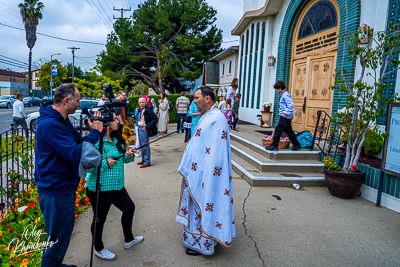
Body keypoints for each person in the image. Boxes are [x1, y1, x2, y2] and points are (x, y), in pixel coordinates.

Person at [35, 83, 103, 267]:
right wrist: (96, 132)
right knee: (55, 239)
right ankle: (51, 264)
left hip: (63, 186)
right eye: (78, 99)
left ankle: (56, 264)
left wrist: (93, 132)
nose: (80, 104)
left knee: (62, 234)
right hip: (55, 190)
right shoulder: (50, 125)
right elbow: (76, 153)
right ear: (67, 100)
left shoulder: (62, 121)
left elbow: (80, 142)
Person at [175, 86, 236, 256]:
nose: (194, 101)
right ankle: (200, 241)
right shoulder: (209, 116)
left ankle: (204, 245)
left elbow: (215, 154)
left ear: (207, 99)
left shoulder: (216, 119)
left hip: (206, 174)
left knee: (203, 204)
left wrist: (206, 176)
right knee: (197, 206)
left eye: (196, 98)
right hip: (199, 172)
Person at [85, 112, 143, 261]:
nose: (119, 121)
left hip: (117, 186)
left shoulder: (117, 139)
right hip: (100, 188)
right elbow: (88, 166)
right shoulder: (96, 141)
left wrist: (128, 156)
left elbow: (123, 159)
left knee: (129, 208)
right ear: (105, 122)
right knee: (100, 218)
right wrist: (105, 163)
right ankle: (98, 248)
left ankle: (129, 240)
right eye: (115, 119)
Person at [265, 81, 301, 151]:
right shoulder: (283, 95)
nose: (276, 90)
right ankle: (296, 144)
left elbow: (291, 105)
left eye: (277, 89)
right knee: (288, 131)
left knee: (278, 129)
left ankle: (274, 145)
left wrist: (286, 113)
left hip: (285, 116)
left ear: (280, 88)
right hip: (286, 116)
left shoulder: (285, 95)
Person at [135, 97, 158, 168]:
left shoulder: (148, 110)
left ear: (145, 103)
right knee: (141, 145)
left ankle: (147, 161)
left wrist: (147, 127)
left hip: (144, 128)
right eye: (140, 102)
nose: (141, 104)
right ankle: (143, 159)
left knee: (145, 145)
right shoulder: (138, 110)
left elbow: (155, 119)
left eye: (143, 102)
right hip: (139, 127)